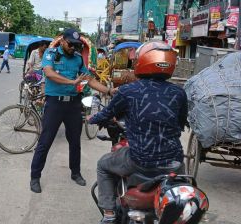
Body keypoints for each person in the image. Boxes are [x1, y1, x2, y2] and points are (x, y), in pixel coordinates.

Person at [87, 41, 188, 224]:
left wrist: (92, 119)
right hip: (174, 162)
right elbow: (180, 124)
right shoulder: (179, 93)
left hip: (140, 160)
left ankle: (109, 214)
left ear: (142, 62)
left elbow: (107, 114)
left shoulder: (128, 91)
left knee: (103, 165)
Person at [30, 29, 115, 193]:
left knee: (75, 142)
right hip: (55, 104)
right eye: (70, 44)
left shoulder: (77, 58)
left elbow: (89, 79)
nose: (73, 48)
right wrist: (72, 82)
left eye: (76, 46)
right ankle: (35, 177)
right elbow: (49, 73)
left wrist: (109, 91)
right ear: (62, 41)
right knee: (45, 142)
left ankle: (75, 173)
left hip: (73, 105)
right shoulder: (51, 53)